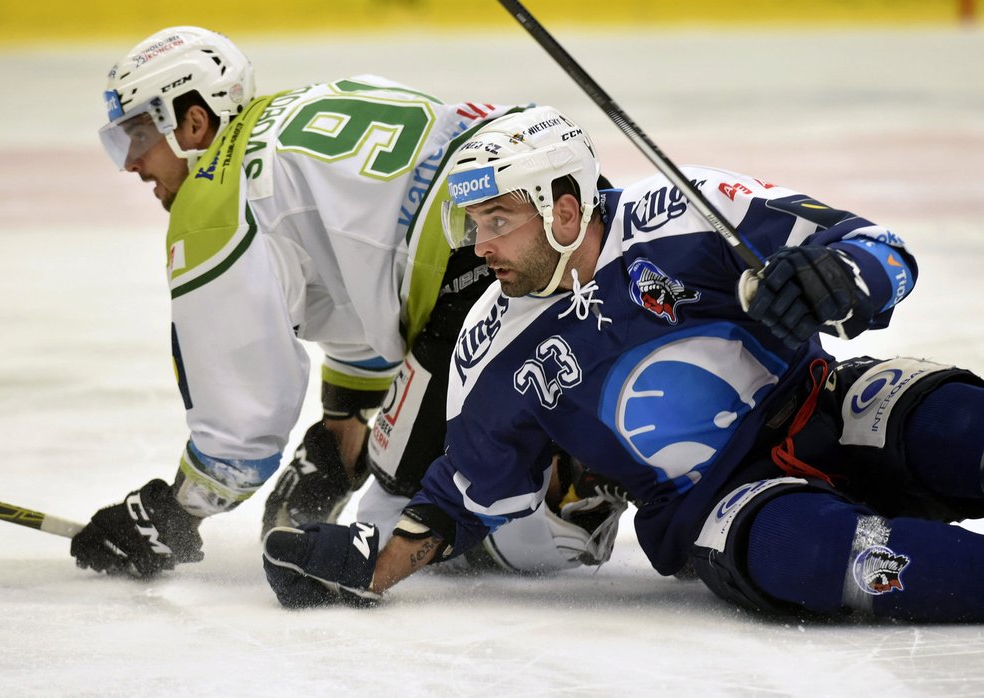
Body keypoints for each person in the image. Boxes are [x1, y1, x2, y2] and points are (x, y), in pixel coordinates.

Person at [262, 105, 984, 623]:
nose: (479, 246)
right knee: (806, 551)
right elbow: (459, 499)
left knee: (958, 425)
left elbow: (878, 247)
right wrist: (371, 566)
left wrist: (839, 276)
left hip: (822, 400)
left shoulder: (685, 210)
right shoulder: (488, 349)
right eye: (475, 225)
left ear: (565, 209)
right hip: (721, 505)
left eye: (498, 222)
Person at [69, 27, 627, 579]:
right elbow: (365, 288)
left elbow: (240, 423)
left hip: (480, 247)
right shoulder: (299, 112)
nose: (129, 163)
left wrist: (167, 513)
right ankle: (593, 440)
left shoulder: (215, 198)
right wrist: (341, 435)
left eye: (138, 135)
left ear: (193, 122)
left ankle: (569, 492)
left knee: (398, 524)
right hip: (559, 195)